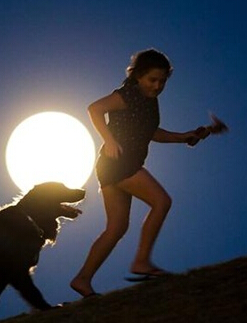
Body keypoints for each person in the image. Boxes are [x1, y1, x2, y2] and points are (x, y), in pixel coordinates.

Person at [70, 48, 213, 297]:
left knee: (117, 228)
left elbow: (152, 132)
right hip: (120, 164)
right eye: (152, 80)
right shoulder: (127, 95)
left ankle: (82, 280)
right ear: (138, 76)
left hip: (112, 166)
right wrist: (109, 139)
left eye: (162, 81)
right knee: (162, 201)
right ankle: (142, 262)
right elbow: (94, 109)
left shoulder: (150, 102)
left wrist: (185, 137)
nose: (157, 86)